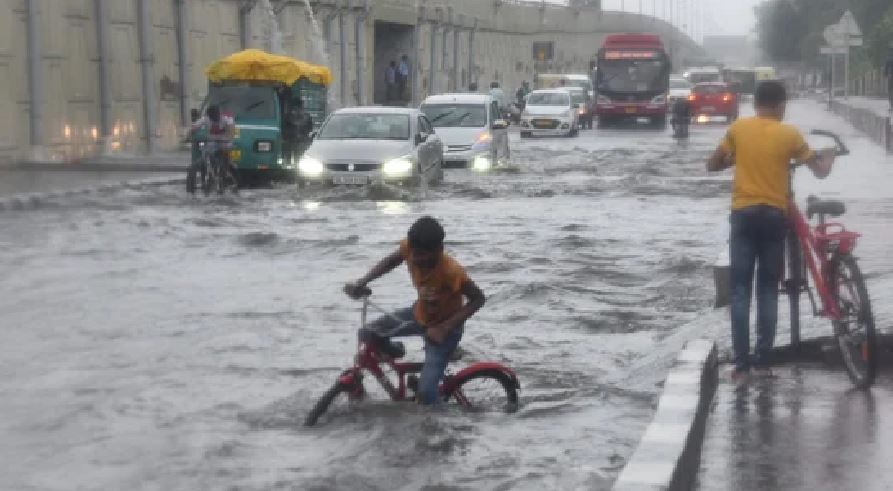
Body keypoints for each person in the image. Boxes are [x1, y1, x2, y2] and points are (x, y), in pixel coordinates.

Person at [706, 81, 836, 383]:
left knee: (740, 292)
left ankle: (741, 367)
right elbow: (818, 170)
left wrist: (733, 160)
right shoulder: (789, 134)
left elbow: (712, 164)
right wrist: (827, 158)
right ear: (780, 104)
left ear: (756, 104)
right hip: (774, 217)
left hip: (743, 216)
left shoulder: (738, 129)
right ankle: (763, 364)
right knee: (767, 290)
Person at [345, 216, 486, 406]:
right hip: (419, 315)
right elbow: (390, 262)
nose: (417, 259)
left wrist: (444, 328)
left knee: (427, 395)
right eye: (414, 253)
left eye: (423, 255)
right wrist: (362, 282)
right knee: (367, 333)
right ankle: (394, 352)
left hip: (445, 329)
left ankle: (445, 426)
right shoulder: (409, 249)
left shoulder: (450, 272)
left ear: (439, 250)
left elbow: (478, 299)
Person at [189, 104, 238, 192]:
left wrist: (225, 138)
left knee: (225, 150)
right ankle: (205, 172)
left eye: (216, 116)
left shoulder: (227, 119)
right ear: (209, 116)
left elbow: (231, 133)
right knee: (205, 152)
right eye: (212, 117)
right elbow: (194, 127)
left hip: (224, 142)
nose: (215, 119)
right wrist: (189, 135)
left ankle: (225, 172)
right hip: (212, 142)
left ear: (219, 114)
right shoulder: (206, 119)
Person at [282, 98, 314, 167]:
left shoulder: (289, 116)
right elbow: (310, 129)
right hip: (295, 141)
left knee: (293, 159)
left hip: (295, 142)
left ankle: (291, 168)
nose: (298, 109)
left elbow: (310, 129)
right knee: (295, 159)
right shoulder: (305, 117)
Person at [884, 48, 893, 112]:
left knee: (890, 90)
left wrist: (885, 75)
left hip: (890, 77)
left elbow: (886, 70)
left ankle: (891, 105)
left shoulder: (888, 59)